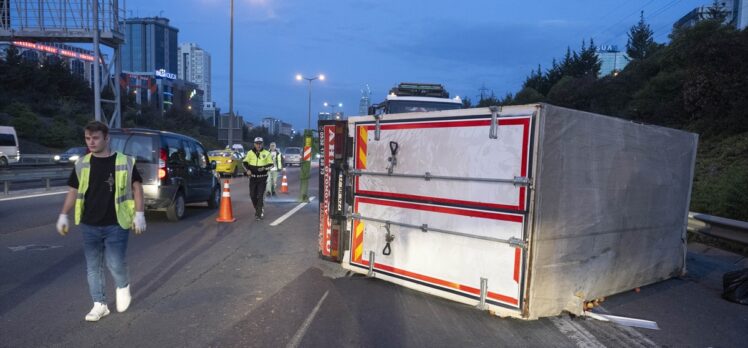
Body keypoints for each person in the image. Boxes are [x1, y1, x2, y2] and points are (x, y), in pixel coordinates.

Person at [56, 121, 146, 322]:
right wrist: (63, 214)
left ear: (107, 138)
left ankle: (122, 286)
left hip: (116, 223)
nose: (91, 142)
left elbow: (137, 188)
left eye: (95, 138)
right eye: (88, 138)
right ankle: (99, 304)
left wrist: (139, 214)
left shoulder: (125, 161)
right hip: (89, 223)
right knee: (93, 267)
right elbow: (73, 191)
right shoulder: (82, 163)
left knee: (115, 263)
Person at [243, 137, 273, 220]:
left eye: (260, 143)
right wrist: (248, 170)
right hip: (252, 178)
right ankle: (258, 208)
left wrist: (264, 168)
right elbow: (244, 162)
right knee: (252, 195)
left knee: (260, 196)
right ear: (254, 144)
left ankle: (259, 214)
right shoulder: (250, 153)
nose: (258, 145)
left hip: (262, 178)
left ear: (262, 144)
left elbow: (271, 164)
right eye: (257, 143)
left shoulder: (267, 153)